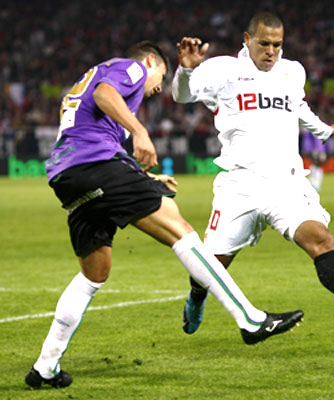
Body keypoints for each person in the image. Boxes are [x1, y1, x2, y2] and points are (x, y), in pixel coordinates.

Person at [24, 41, 303, 390]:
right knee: (179, 228)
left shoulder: (87, 79)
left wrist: (144, 178)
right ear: (152, 61)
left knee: (94, 274)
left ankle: (45, 367)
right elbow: (105, 96)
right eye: (162, 76)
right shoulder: (132, 68)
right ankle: (250, 320)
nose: (158, 87)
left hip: (68, 176)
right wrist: (140, 130)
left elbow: (91, 133)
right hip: (95, 166)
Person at [172, 12, 334, 338]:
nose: (271, 51)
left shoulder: (292, 71)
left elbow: (297, 107)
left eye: (277, 45)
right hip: (241, 183)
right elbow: (181, 95)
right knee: (211, 266)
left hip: (286, 180)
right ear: (246, 39)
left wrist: (322, 130)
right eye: (264, 43)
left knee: (321, 240)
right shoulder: (222, 70)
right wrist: (186, 69)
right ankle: (196, 298)